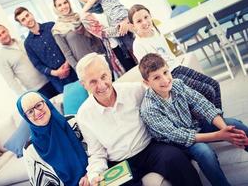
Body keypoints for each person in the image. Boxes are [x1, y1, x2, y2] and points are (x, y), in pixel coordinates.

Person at [75, 53, 202, 186]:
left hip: (149, 148)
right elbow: (97, 153)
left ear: (109, 72)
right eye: (93, 81)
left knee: (176, 158)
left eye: (103, 76)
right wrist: (94, 175)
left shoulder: (135, 90)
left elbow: (163, 96)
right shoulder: (84, 115)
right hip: (120, 163)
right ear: (84, 85)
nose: (101, 85)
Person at [139, 53, 248, 186]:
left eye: (165, 72)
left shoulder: (177, 84)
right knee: (205, 153)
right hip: (177, 144)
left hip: (193, 126)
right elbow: (179, 136)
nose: (165, 80)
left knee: (236, 125)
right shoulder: (149, 109)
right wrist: (219, 135)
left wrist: (225, 130)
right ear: (146, 83)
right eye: (156, 77)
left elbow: (202, 104)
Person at [128, 4, 222, 109]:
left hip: (177, 67)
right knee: (207, 91)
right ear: (133, 26)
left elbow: (169, 54)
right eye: (139, 21)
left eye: (146, 17)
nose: (145, 22)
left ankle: (219, 120)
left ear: (150, 16)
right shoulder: (138, 45)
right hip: (168, 76)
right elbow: (150, 73)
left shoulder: (156, 32)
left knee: (214, 85)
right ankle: (214, 122)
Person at [17, 91, 88, 186]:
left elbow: (96, 151)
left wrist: (90, 175)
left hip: (95, 176)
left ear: (46, 103)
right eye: (30, 111)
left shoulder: (73, 122)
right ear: (26, 118)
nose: (37, 112)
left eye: (38, 105)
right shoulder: (30, 149)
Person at [14, 7, 77, 93]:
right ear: (22, 24)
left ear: (31, 14)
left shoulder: (51, 26)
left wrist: (67, 64)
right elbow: (37, 65)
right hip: (58, 80)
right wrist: (56, 73)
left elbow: (67, 44)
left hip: (73, 68)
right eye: (23, 20)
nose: (27, 20)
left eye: (27, 15)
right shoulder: (28, 43)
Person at [75, 0, 136, 73]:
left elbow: (126, 13)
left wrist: (126, 21)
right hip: (117, 49)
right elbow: (103, 33)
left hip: (131, 40)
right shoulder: (85, 15)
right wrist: (122, 27)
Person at [0, 24, 59, 98]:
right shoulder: (1, 58)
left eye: (3, 32)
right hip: (38, 91)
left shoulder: (25, 42)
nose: (3, 36)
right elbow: (11, 82)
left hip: (51, 79)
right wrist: (25, 97)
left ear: (7, 30)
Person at [52, 0, 106, 69]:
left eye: (65, 2)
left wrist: (103, 55)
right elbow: (67, 54)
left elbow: (94, 37)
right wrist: (78, 69)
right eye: (59, 5)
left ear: (69, 3)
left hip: (99, 57)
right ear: (56, 8)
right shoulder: (57, 29)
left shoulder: (80, 16)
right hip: (84, 66)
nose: (64, 6)